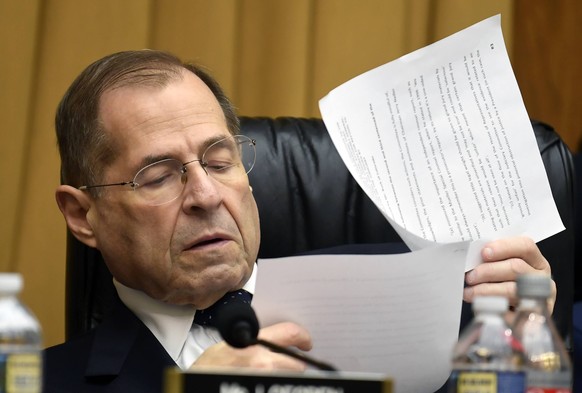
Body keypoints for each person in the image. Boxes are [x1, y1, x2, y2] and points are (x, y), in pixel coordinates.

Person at [45, 49, 557, 392]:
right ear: (82, 215)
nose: (205, 195)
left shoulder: (433, 291)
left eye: (220, 162)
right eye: (158, 176)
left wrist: (531, 346)